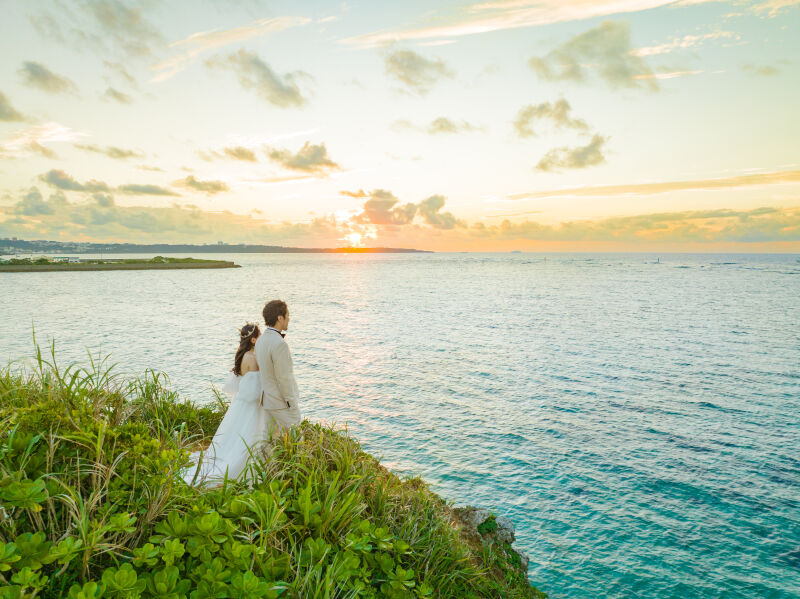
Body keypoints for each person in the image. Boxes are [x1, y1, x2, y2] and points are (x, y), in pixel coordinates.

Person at [182, 323, 271, 487]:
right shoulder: (253, 358)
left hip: (240, 404)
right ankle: (246, 469)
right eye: (259, 336)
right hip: (252, 406)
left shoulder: (242, 355)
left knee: (235, 435)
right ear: (253, 340)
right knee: (249, 436)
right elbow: (257, 387)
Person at [255, 299, 302, 435]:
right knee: (296, 436)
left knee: (270, 438)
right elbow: (284, 377)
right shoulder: (280, 344)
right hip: (281, 403)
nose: (289, 319)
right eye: (288, 315)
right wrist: (291, 403)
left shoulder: (260, 340)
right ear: (280, 318)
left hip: (267, 400)